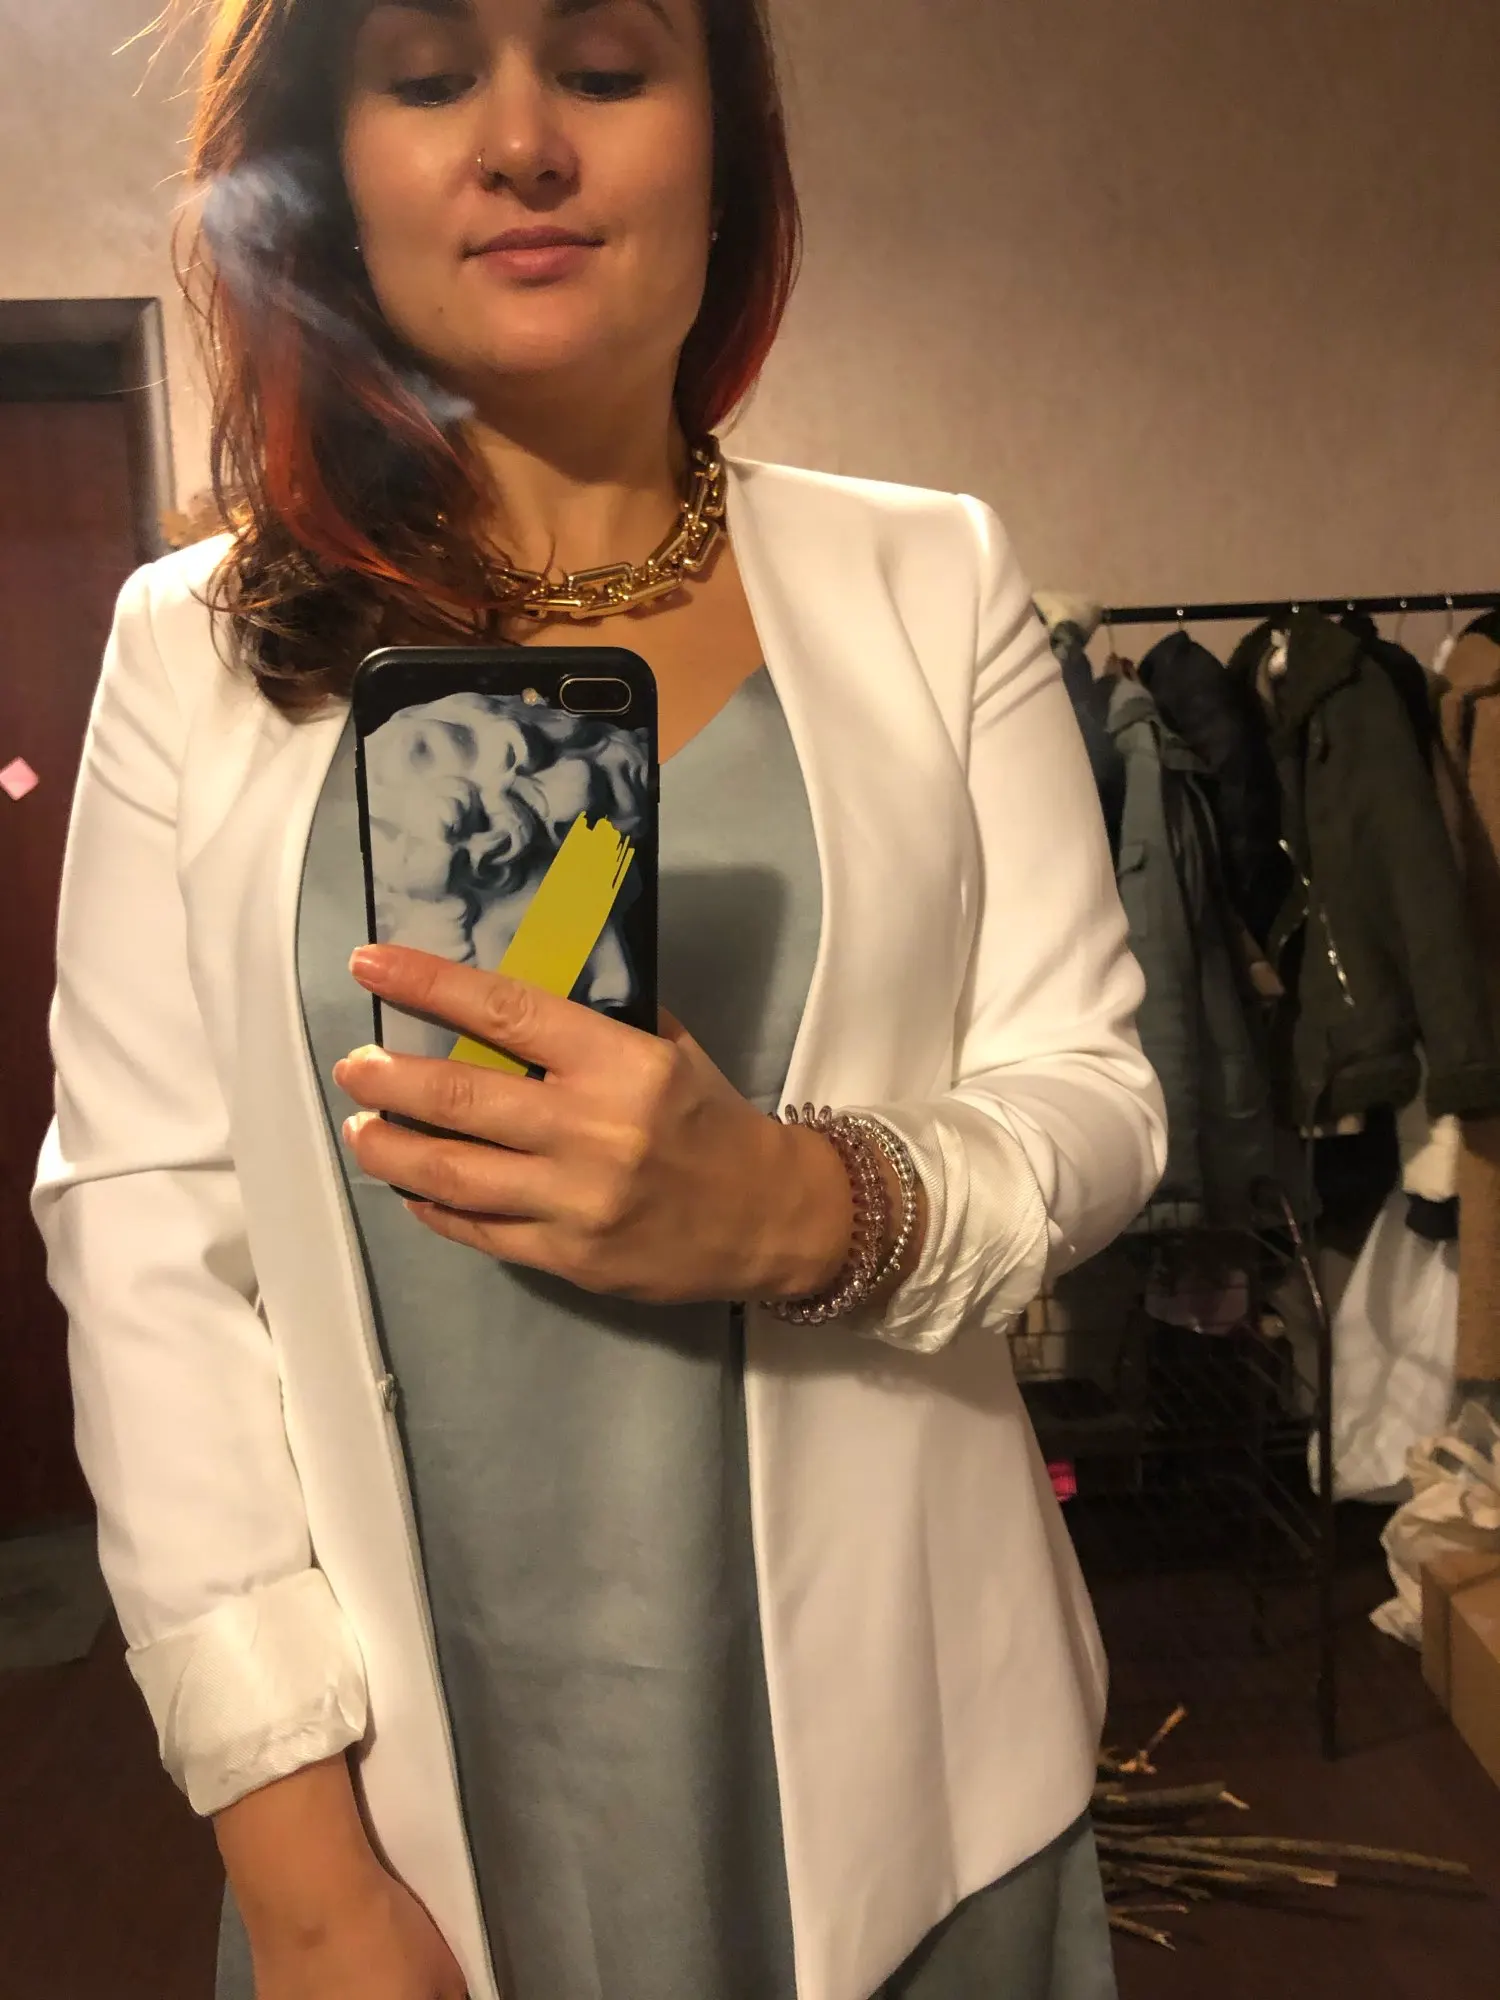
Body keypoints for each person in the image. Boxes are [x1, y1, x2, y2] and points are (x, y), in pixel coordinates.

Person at [33, 1, 1166, 1996]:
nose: (522, 142)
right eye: (427, 77)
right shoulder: (188, 654)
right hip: (411, 1786)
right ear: (332, 170)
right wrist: (299, 1872)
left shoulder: (930, 578)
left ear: (725, 153)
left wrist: (807, 1203)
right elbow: (143, 1232)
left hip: (909, 1763)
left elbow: (1094, 1091)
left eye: (609, 68)